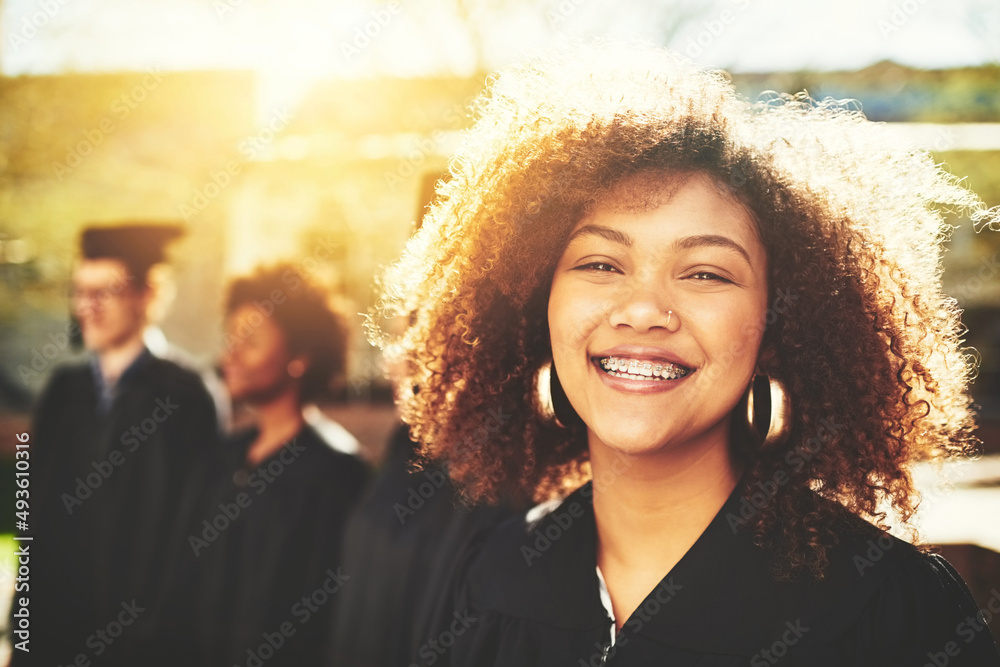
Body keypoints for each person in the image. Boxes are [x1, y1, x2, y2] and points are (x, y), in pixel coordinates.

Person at [372, 42, 1000, 665]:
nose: (643, 309)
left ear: (780, 326)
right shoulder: (489, 580)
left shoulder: (889, 614)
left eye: (705, 273)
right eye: (600, 263)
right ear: (537, 302)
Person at [20, 223, 221, 666]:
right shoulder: (63, 392)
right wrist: (22, 636)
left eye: (105, 292)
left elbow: (194, 539)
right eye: (80, 292)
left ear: (147, 295)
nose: (88, 308)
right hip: (55, 639)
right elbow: (33, 519)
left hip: (145, 646)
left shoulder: (185, 398)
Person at [194, 263, 370, 666]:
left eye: (251, 341)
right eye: (230, 338)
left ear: (299, 357)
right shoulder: (223, 455)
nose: (230, 355)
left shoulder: (335, 471)